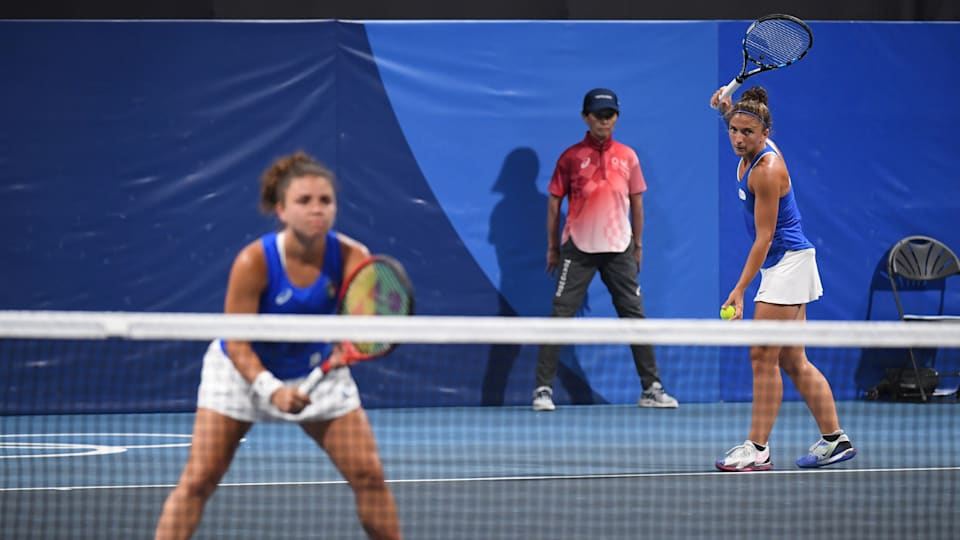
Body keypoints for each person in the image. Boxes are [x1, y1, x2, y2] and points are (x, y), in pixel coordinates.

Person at [154, 151, 401, 539]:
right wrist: (272, 390)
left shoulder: (352, 257)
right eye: (304, 201)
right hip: (241, 374)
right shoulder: (254, 262)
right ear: (281, 210)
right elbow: (237, 341)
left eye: (325, 200)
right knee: (199, 480)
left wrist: (349, 343)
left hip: (315, 369)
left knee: (369, 475)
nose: (317, 209)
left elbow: (366, 324)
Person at [709, 86, 856, 472]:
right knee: (792, 359)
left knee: (762, 355)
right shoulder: (748, 146)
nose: (738, 138)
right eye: (733, 130)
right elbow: (738, 120)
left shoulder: (767, 170)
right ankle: (835, 439)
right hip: (785, 263)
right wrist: (726, 108)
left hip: (787, 262)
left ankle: (757, 448)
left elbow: (765, 237)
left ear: (766, 133)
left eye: (747, 132)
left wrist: (740, 289)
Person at [531, 88, 678, 412]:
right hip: (578, 248)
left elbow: (637, 202)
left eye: (609, 115)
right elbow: (554, 204)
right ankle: (542, 389)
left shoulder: (628, 157)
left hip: (619, 249)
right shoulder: (570, 157)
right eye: (598, 115)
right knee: (559, 318)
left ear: (616, 118)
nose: (604, 121)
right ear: (586, 118)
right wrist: (553, 247)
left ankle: (651, 388)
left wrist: (638, 245)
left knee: (634, 318)